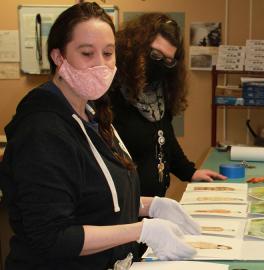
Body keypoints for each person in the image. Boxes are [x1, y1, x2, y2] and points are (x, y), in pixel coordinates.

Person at [0, 3, 200, 269]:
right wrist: (141, 231)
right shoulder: (42, 129)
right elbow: (51, 237)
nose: (101, 64)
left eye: (108, 53)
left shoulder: (93, 113)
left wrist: (150, 206)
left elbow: (97, 197)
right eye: (86, 53)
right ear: (59, 57)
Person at [110, 13, 226, 197]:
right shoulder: (111, 93)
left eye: (168, 60)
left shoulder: (158, 91)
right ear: (135, 48)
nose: (160, 64)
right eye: (155, 55)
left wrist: (190, 172)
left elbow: (164, 138)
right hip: (124, 212)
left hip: (152, 207)